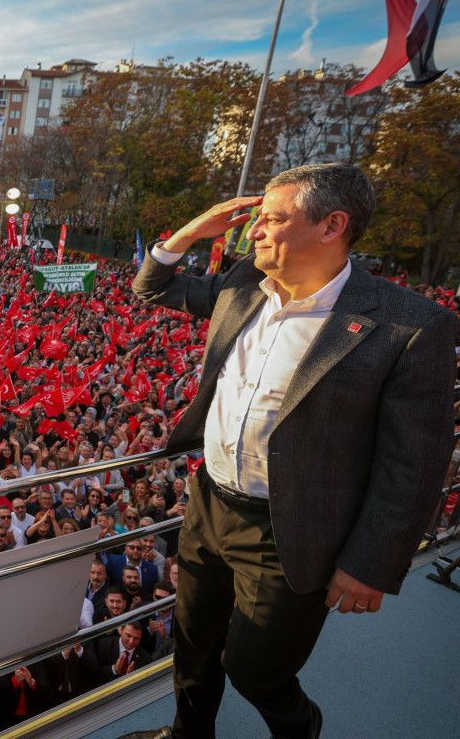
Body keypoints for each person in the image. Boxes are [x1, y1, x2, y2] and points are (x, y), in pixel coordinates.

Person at [124, 163, 458, 739]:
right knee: (194, 645)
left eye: (273, 218)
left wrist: (369, 564)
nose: (253, 230)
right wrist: (189, 233)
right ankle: (187, 733)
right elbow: (151, 285)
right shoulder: (241, 284)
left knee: (256, 670)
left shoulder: (411, 324)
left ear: (332, 226)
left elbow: (415, 463)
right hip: (210, 503)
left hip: (295, 528)